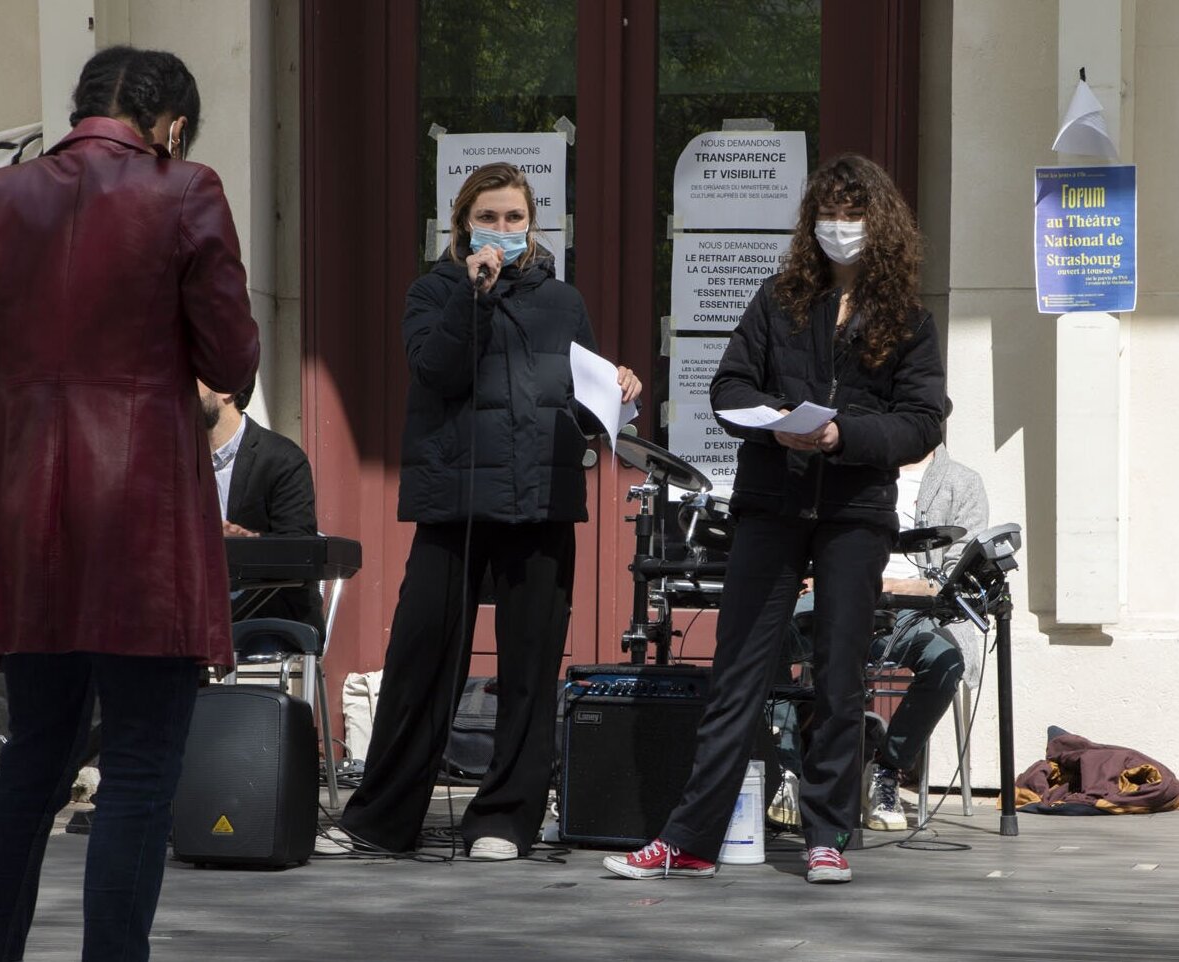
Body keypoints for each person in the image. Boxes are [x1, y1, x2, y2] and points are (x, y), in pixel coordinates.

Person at [0, 46, 260, 962]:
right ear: (174, 123)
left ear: (81, 111)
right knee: (142, 768)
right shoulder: (186, 188)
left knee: (34, 754)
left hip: (26, 494)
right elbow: (230, 360)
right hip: (141, 501)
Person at [606, 154, 945, 885]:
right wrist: (771, 423)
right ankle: (689, 840)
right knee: (737, 672)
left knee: (839, 675)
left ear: (877, 223)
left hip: (855, 513)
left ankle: (828, 834)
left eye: (853, 214)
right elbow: (729, 384)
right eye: (828, 213)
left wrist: (841, 435)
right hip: (771, 506)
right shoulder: (778, 299)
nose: (838, 228)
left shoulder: (908, 319)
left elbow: (921, 422)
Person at [336, 161, 641, 862]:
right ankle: (380, 819)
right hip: (454, 506)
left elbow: (581, 402)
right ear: (462, 223)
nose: (501, 231)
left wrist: (619, 392)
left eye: (513, 218)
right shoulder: (435, 292)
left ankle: (504, 819)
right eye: (489, 218)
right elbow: (435, 370)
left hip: (539, 504)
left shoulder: (564, 303)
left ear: (533, 224)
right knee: (421, 659)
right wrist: (473, 298)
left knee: (529, 669)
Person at [764, 444, 988, 834]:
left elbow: (956, 574)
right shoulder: (849, 467)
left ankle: (886, 768)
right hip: (833, 592)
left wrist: (893, 584)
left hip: (908, 605)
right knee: (774, 632)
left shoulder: (961, 482)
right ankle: (787, 771)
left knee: (945, 658)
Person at [200, 379, 323, 633]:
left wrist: (246, 542)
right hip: (194, 612)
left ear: (227, 388)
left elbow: (300, 548)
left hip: (265, 611)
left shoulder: (283, 459)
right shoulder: (173, 457)